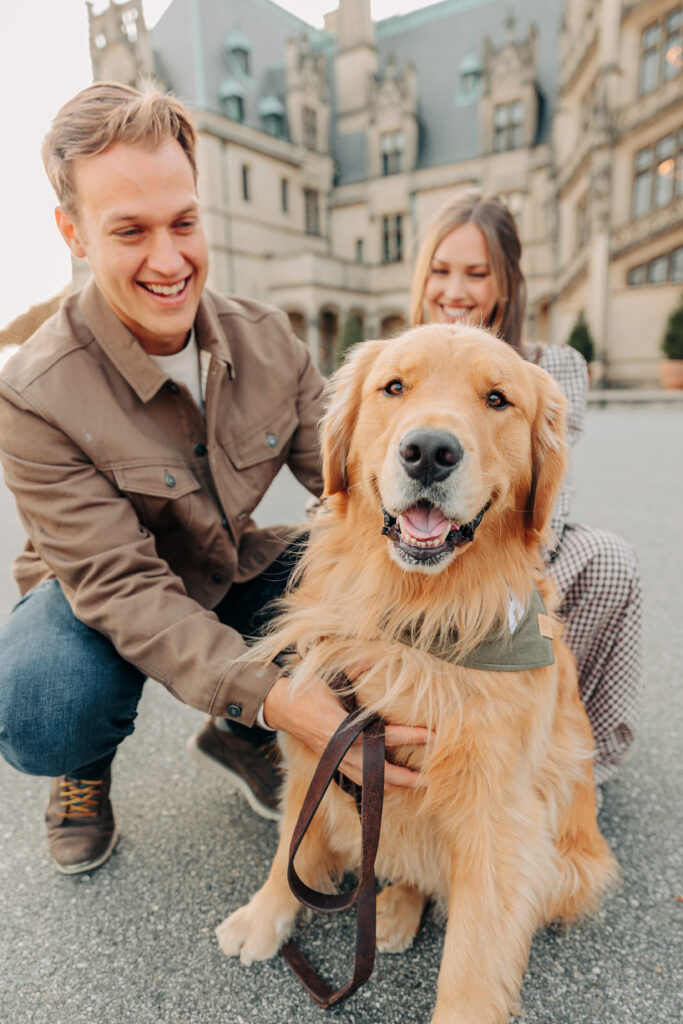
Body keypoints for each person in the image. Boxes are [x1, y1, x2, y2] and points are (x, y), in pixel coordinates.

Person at [0, 82, 427, 876]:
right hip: (93, 599)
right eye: (130, 230)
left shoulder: (270, 341)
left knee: (361, 575)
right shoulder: (32, 392)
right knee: (44, 705)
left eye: (184, 223)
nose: (169, 261)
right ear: (75, 233)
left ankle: (237, 734)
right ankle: (82, 770)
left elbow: (355, 493)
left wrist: (490, 567)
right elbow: (123, 589)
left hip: (228, 568)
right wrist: (281, 693)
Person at [409, 189, 643, 789]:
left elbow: (546, 515)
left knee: (610, 559)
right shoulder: (399, 361)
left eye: (475, 273)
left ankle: (567, 762)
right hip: (409, 548)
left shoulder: (550, 367)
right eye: (440, 270)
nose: (453, 290)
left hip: (511, 549)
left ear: (506, 284)